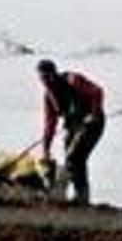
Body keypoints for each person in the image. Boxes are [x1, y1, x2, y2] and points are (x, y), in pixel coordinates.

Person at [37, 59, 105, 205]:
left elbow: (97, 92)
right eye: (42, 78)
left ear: (54, 74)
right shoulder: (49, 97)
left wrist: (93, 114)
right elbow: (50, 123)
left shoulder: (72, 80)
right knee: (72, 159)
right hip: (73, 125)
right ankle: (80, 196)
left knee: (74, 157)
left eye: (48, 77)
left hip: (93, 123)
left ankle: (81, 196)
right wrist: (46, 150)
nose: (46, 81)